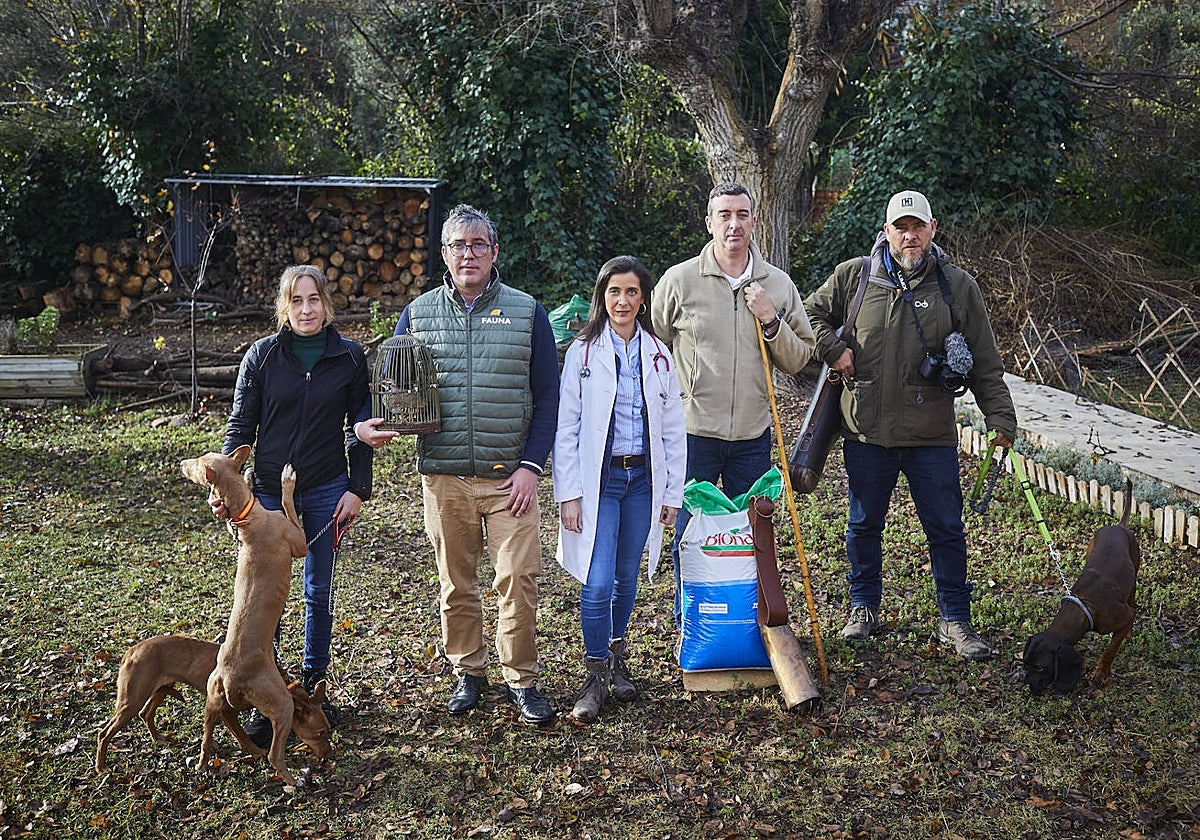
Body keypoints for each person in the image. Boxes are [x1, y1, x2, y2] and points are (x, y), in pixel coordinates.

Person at [355, 204, 559, 725]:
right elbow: (392, 388)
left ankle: (522, 678)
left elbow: (548, 395)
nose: (468, 254)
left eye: (478, 245)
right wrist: (373, 423)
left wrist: (532, 466)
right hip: (444, 477)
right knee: (456, 582)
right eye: (458, 246)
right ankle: (469, 672)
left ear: (495, 252)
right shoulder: (418, 314)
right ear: (444, 254)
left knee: (518, 579)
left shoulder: (526, 311)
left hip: (509, 477)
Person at [803, 189, 1017, 661]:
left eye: (918, 226)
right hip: (866, 432)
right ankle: (863, 608)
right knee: (862, 526)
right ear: (886, 232)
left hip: (931, 435)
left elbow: (985, 362)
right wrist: (832, 348)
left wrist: (1000, 416)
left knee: (946, 529)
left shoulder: (958, 287)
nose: (910, 235)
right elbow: (809, 313)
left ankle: (955, 620)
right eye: (901, 227)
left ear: (932, 229)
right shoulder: (854, 277)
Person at [217, 263, 373, 745]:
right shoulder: (261, 357)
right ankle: (272, 691)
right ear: (284, 307)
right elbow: (241, 427)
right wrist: (226, 490)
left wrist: (357, 489)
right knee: (266, 598)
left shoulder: (348, 358)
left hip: (328, 486)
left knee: (318, 591)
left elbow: (362, 428)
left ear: (327, 304)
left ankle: (309, 686)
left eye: (314, 300)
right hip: (266, 492)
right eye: (296, 301)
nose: (306, 310)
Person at [651, 183, 816, 618]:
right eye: (724, 215)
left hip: (752, 434)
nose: (733, 224)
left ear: (754, 223)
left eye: (742, 215)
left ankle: (748, 616)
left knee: (753, 532)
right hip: (693, 433)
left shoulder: (777, 285)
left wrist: (771, 319)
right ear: (709, 222)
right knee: (690, 532)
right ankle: (692, 618)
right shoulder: (679, 281)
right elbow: (654, 344)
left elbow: (800, 358)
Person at [555, 255, 687, 723]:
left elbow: (672, 426)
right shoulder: (582, 352)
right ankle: (593, 673)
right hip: (600, 482)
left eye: (632, 292)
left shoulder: (658, 352)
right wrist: (569, 493)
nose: (623, 300)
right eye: (615, 291)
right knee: (598, 580)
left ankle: (616, 661)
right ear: (602, 296)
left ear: (643, 298)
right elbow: (566, 427)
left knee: (627, 577)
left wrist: (672, 494)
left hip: (642, 482)